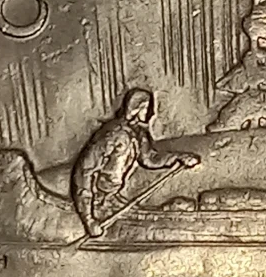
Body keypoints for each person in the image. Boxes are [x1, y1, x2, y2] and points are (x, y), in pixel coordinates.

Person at [71, 88, 200, 236]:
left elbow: (150, 159)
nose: (151, 113)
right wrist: (88, 219)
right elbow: (85, 170)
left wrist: (179, 157)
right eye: (146, 108)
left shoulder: (138, 133)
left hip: (112, 196)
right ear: (135, 108)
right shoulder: (113, 134)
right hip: (94, 199)